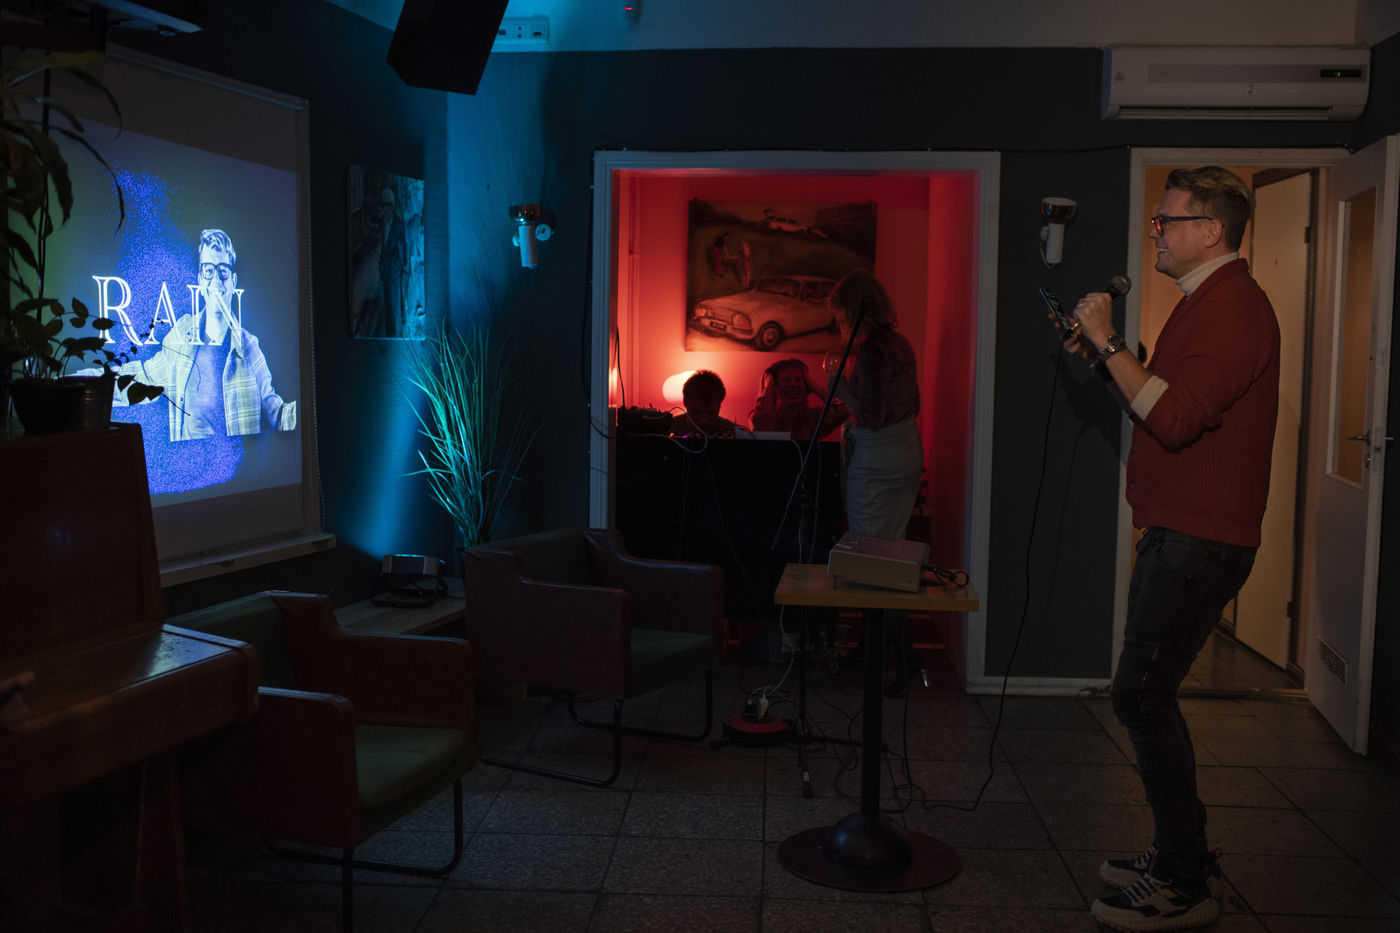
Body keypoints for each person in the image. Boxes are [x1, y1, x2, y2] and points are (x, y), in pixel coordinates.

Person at [1057, 166, 1279, 932]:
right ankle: (1180, 852)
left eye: (1166, 220)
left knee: (1141, 695)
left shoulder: (1235, 308)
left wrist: (1109, 338)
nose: (1155, 231)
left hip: (1201, 538)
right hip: (1179, 530)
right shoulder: (1203, 301)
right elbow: (1155, 402)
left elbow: (1177, 419)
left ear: (1210, 230)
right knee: (1146, 693)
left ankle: (1184, 879)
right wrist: (1103, 358)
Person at [826, 269, 925, 697]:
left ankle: (905, 657)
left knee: (870, 561)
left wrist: (839, 389)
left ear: (850, 309)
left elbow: (870, 414)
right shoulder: (900, 343)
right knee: (892, 555)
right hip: (906, 451)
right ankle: (871, 647)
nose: (836, 321)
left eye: (838, 313)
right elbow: (913, 403)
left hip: (877, 460)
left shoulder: (869, 349)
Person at [111, 228, 297, 442]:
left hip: (240, 463)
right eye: (208, 270)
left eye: (223, 271)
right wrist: (82, 384)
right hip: (190, 463)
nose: (216, 280)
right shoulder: (181, 337)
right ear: (200, 279)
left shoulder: (248, 346)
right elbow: (141, 377)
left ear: (233, 281)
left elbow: (276, 414)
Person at [750, 357, 850, 441]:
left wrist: (814, 386)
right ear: (775, 387)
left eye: (798, 380)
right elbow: (761, 423)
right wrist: (768, 386)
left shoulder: (812, 418)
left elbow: (845, 409)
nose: (793, 384)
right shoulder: (761, 416)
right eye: (786, 380)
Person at [670, 369, 737, 438]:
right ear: (685, 401)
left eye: (711, 413)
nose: (704, 421)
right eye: (696, 412)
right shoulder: (667, 428)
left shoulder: (733, 432)